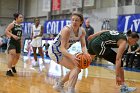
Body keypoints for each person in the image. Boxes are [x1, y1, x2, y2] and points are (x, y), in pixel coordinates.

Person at [48, 11, 90, 93]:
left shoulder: (82, 31)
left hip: (62, 51)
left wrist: (86, 55)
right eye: (72, 20)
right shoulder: (66, 30)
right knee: (76, 67)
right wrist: (72, 56)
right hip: (55, 50)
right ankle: (70, 90)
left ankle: (59, 85)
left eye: (77, 20)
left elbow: (83, 45)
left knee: (77, 69)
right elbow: (62, 48)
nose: (74, 22)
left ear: (81, 22)